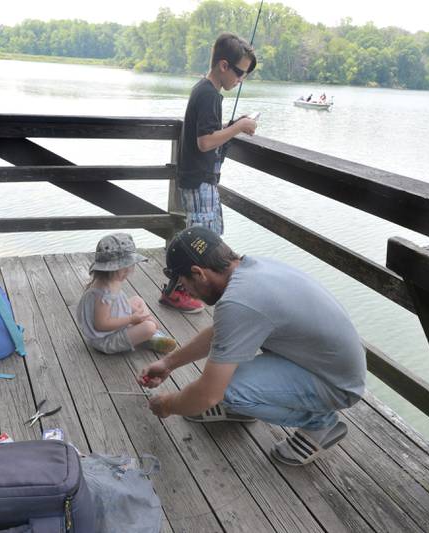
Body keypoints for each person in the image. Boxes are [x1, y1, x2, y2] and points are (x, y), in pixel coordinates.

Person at [139, 227, 366, 466]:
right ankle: (244, 407)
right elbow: (223, 332)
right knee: (220, 381)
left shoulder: (239, 300)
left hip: (336, 384)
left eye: (184, 284)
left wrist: (168, 405)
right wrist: (168, 363)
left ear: (198, 273)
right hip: (323, 363)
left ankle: (320, 424)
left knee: (225, 390)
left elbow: (208, 394)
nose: (187, 292)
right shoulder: (252, 268)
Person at [159, 32, 258, 314]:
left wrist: (232, 124)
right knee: (201, 242)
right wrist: (239, 127)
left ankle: (178, 290)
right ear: (224, 65)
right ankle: (177, 292)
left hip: (199, 180)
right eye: (240, 72)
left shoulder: (203, 90)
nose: (241, 80)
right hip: (199, 181)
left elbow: (209, 133)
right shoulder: (209, 94)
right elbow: (205, 142)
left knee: (207, 235)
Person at [77, 233, 177, 355]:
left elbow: (115, 305)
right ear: (111, 268)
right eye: (125, 268)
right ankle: (149, 335)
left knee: (137, 300)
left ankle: (145, 332)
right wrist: (131, 318)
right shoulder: (103, 294)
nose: (129, 271)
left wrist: (132, 311)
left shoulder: (109, 280)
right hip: (105, 340)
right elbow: (101, 325)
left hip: (113, 326)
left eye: (130, 266)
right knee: (149, 327)